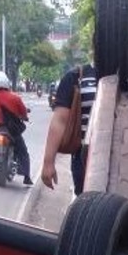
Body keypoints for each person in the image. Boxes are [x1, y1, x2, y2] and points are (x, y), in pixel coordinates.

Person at [41, 62, 97, 195]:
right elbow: (60, 120)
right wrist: (48, 163)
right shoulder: (76, 77)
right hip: (84, 160)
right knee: (87, 208)